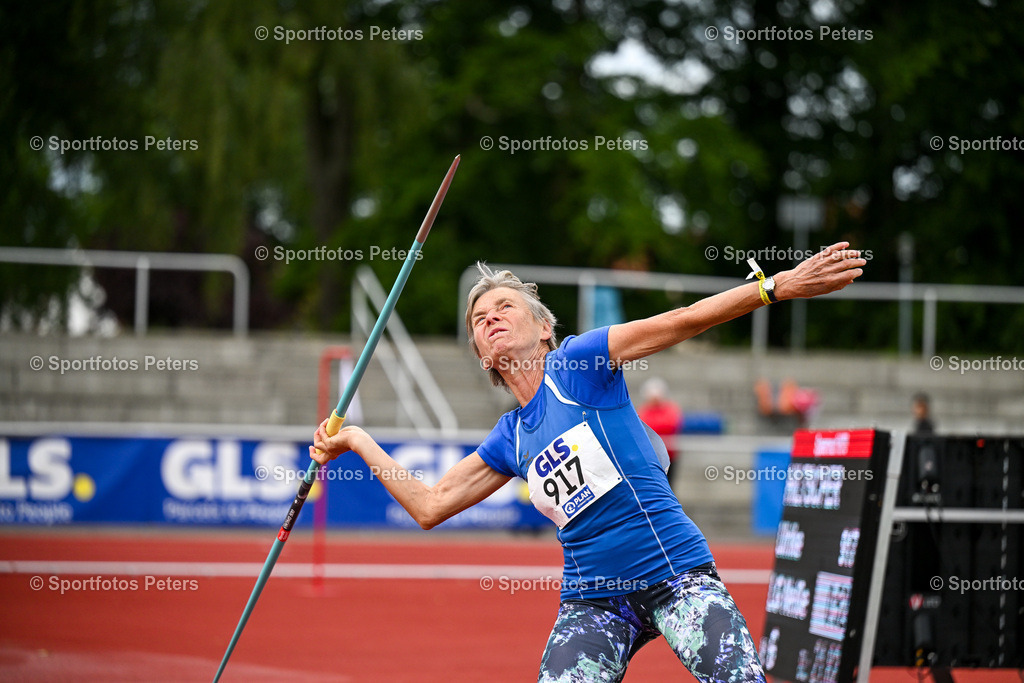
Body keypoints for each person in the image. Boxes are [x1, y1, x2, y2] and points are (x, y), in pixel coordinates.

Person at [310, 242, 866, 682]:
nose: (491, 317)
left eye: (506, 306)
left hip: (674, 575)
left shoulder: (578, 364)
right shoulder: (510, 439)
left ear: (544, 328)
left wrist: (775, 287)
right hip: (593, 601)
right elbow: (429, 506)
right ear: (482, 354)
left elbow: (681, 320)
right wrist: (358, 439)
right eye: (480, 318)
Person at [636, 377, 683, 492]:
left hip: (670, 456)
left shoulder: (671, 409)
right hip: (651, 458)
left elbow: (671, 425)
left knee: (669, 488)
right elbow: (644, 426)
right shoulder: (644, 410)